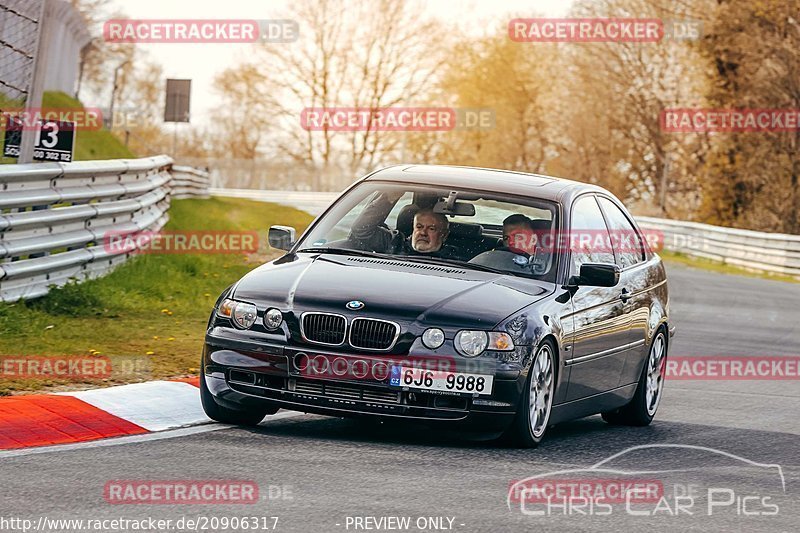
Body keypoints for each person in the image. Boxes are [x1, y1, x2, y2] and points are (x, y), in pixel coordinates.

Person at [348, 191, 456, 257]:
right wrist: (389, 198)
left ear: (444, 234)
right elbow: (360, 229)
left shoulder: (455, 258)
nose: (423, 232)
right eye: (419, 226)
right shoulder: (395, 244)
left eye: (431, 228)